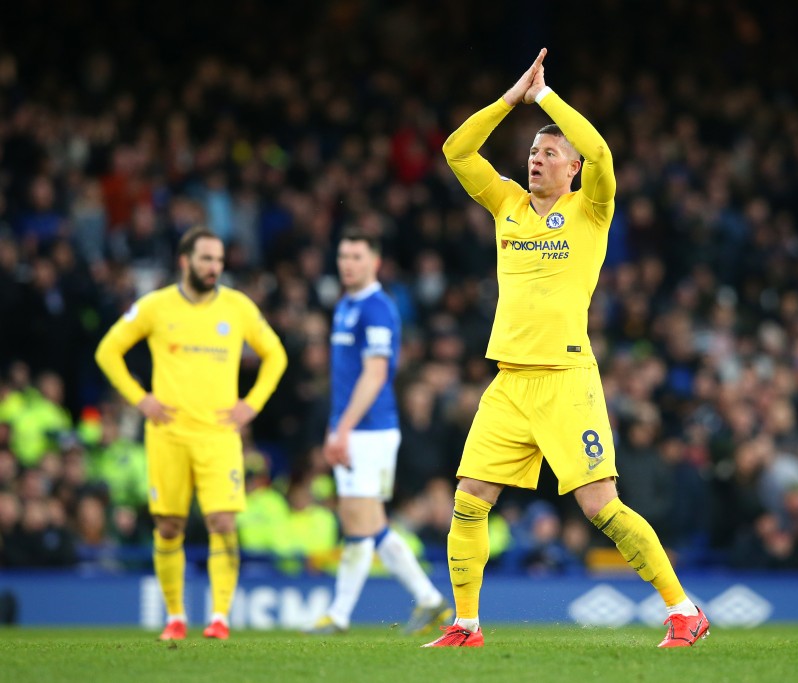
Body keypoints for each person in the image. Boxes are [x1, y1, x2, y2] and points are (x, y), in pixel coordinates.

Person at [423, 48, 709, 648]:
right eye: (532, 151)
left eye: (549, 152)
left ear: (572, 168)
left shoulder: (592, 210)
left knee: (601, 506)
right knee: (469, 499)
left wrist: (546, 97)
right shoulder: (506, 204)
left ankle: (684, 610)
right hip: (508, 382)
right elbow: (454, 151)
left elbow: (603, 151)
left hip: (565, 379)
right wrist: (510, 100)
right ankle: (466, 625)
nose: (535, 159)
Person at [94, 225, 287, 641]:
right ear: (185, 262)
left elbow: (276, 354)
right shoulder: (156, 306)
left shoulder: (238, 307)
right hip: (168, 434)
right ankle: (175, 617)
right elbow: (107, 350)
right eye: (206, 259)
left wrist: (251, 405)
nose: (214, 267)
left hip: (219, 435)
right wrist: (140, 399)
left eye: (219, 260)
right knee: (168, 525)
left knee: (222, 521)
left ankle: (219, 617)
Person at [305, 229, 451, 636]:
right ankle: (428, 599)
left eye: (356, 256)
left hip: (369, 431)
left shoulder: (377, 309)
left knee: (357, 522)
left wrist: (343, 429)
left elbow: (375, 374)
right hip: (357, 429)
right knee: (372, 524)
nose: (347, 264)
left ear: (375, 263)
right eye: (343, 256)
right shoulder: (345, 306)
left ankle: (338, 615)